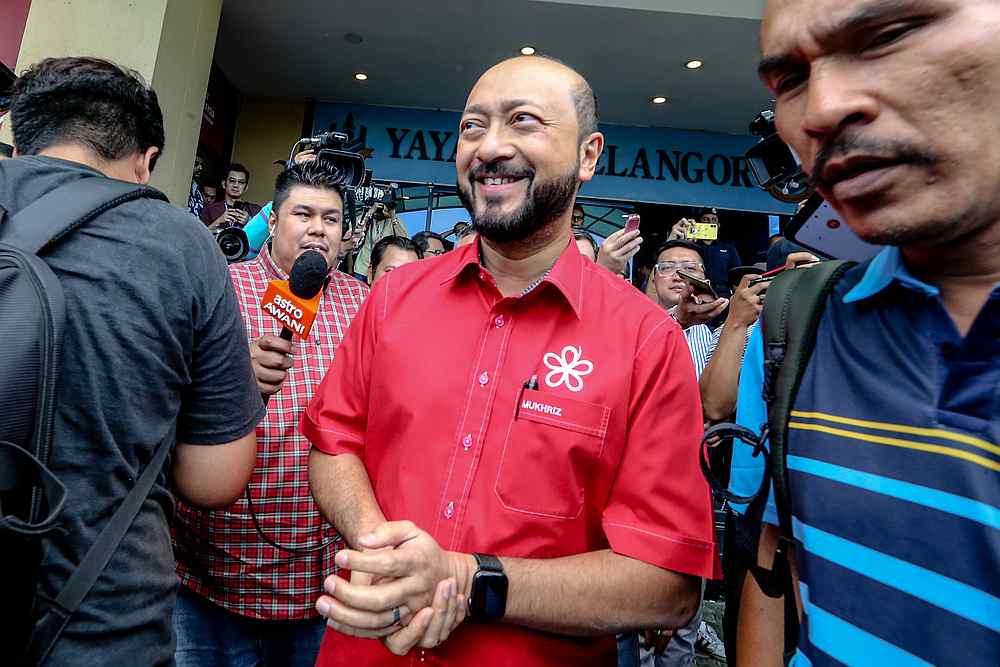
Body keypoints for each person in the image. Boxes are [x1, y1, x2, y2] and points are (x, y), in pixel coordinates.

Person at [302, 55, 717, 667]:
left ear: (588, 155)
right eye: (473, 126)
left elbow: (668, 583)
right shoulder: (393, 297)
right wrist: (386, 554)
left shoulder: (646, 340)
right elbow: (335, 441)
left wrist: (469, 582)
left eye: (523, 122)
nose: (490, 147)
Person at [730, 1, 1000, 665]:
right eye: (790, 79)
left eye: (886, 36)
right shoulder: (797, 325)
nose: (820, 109)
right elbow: (777, 561)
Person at [1, 56, 262, 666]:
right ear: (145, 161)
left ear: (23, 140)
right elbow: (214, 479)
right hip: (97, 627)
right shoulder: (181, 243)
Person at [172, 159, 369, 667]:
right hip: (207, 581)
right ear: (274, 221)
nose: (318, 229)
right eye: (303, 214)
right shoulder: (219, 286)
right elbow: (164, 400)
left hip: (316, 586)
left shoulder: (362, 302)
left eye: (331, 219)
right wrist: (235, 383)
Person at [669, 209, 743, 299]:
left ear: (718, 225)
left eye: (713, 220)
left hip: (722, 294)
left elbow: (736, 273)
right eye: (706, 219)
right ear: (700, 223)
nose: (710, 222)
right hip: (696, 291)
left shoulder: (728, 248)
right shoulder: (691, 245)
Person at [353, 190, 409, 279]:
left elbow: (404, 240)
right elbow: (354, 230)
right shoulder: (368, 218)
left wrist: (392, 215)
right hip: (362, 268)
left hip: (383, 268)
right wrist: (369, 213)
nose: (381, 210)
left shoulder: (394, 222)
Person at [201, 163, 262, 230]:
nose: (236, 185)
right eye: (232, 181)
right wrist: (219, 221)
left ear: (246, 188)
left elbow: (265, 236)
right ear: (224, 184)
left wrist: (249, 221)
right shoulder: (210, 209)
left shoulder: (255, 210)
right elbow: (200, 237)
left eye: (241, 182)